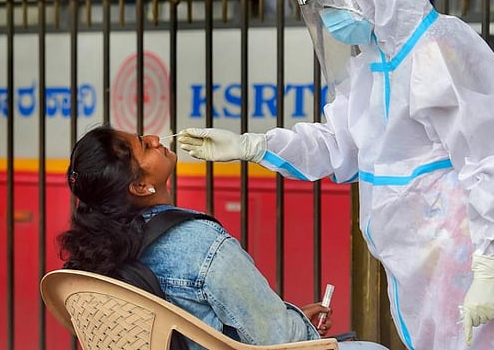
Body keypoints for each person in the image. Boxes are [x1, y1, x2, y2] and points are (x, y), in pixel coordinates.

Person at [178, 0, 494, 350]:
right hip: (423, 265)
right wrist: (252, 146)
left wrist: (489, 268)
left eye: (332, 2)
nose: (329, 18)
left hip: (474, 256)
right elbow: (338, 145)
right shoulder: (371, 66)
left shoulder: (438, 50)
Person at [59, 125, 388, 350]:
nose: (156, 138)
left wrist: (279, 314)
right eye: (144, 146)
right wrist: (298, 325)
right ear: (141, 186)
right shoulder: (198, 243)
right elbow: (281, 340)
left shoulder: (101, 254)